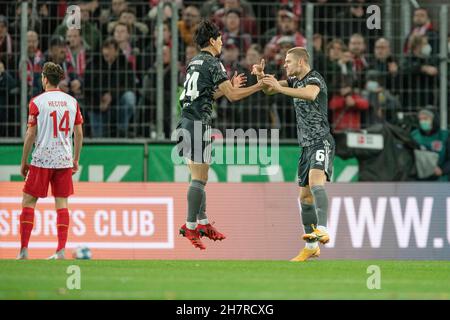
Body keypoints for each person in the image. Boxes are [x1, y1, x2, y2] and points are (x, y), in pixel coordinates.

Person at [176, 20, 262, 250]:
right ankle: (190, 226)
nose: (222, 42)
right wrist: (258, 86)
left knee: (198, 176)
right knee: (199, 178)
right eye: (220, 38)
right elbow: (233, 96)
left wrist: (228, 87)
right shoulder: (214, 63)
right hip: (196, 123)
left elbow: (204, 96)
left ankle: (202, 222)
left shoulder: (194, 62)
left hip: (186, 120)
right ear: (213, 41)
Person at [255, 47, 335, 261]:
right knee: (304, 196)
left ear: (301, 62)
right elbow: (269, 90)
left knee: (316, 183)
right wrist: (262, 78)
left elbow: (310, 94)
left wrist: (279, 89)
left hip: (321, 141)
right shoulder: (293, 81)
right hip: (306, 146)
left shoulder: (314, 78)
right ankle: (311, 246)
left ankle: (324, 228)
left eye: (288, 61)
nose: (284, 65)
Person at [17, 62, 84, 260]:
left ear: (45, 78)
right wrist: (75, 159)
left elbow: (30, 134)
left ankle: (23, 251)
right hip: (63, 159)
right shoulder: (72, 102)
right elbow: (78, 133)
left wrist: (24, 161)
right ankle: (61, 250)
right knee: (62, 203)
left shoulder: (37, 102)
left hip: (42, 159)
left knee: (29, 201)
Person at [411, 108, 450, 181]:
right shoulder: (414, 136)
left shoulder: (445, 136)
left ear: (434, 120)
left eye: (426, 119)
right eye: (420, 119)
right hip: (419, 180)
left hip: (440, 181)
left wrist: (442, 170)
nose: (422, 122)